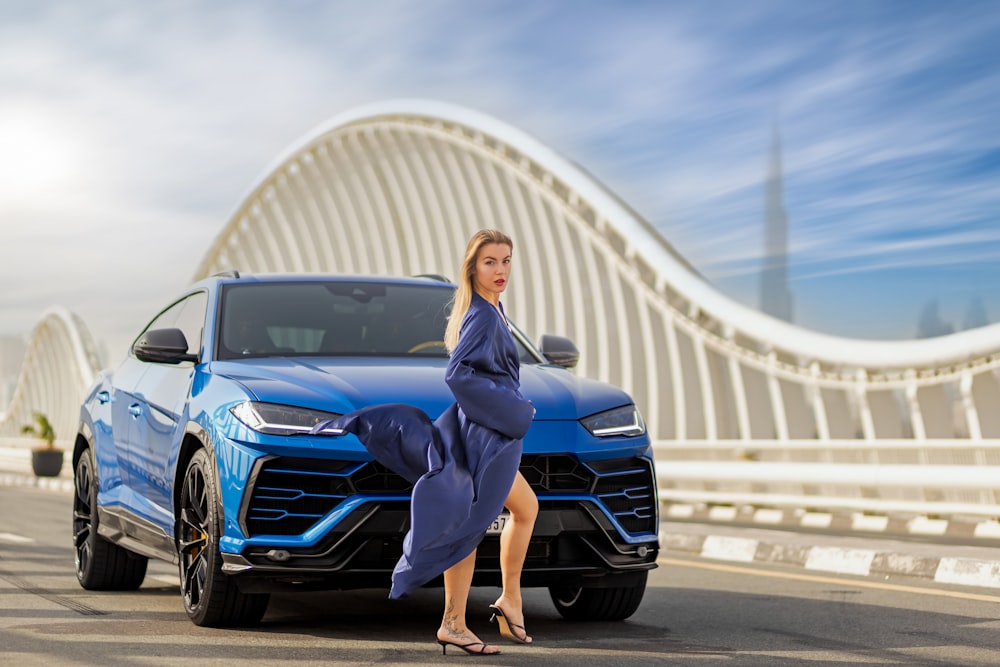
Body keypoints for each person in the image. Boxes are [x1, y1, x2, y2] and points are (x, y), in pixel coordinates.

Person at [328, 229, 537, 656]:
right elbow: (458, 376)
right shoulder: (480, 315)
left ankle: (505, 600)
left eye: (506, 261)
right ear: (472, 268)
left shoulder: (494, 310)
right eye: (490, 262)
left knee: (519, 509)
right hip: (488, 434)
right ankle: (455, 622)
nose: (500, 271)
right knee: (469, 524)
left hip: (487, 430)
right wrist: (515, 410)